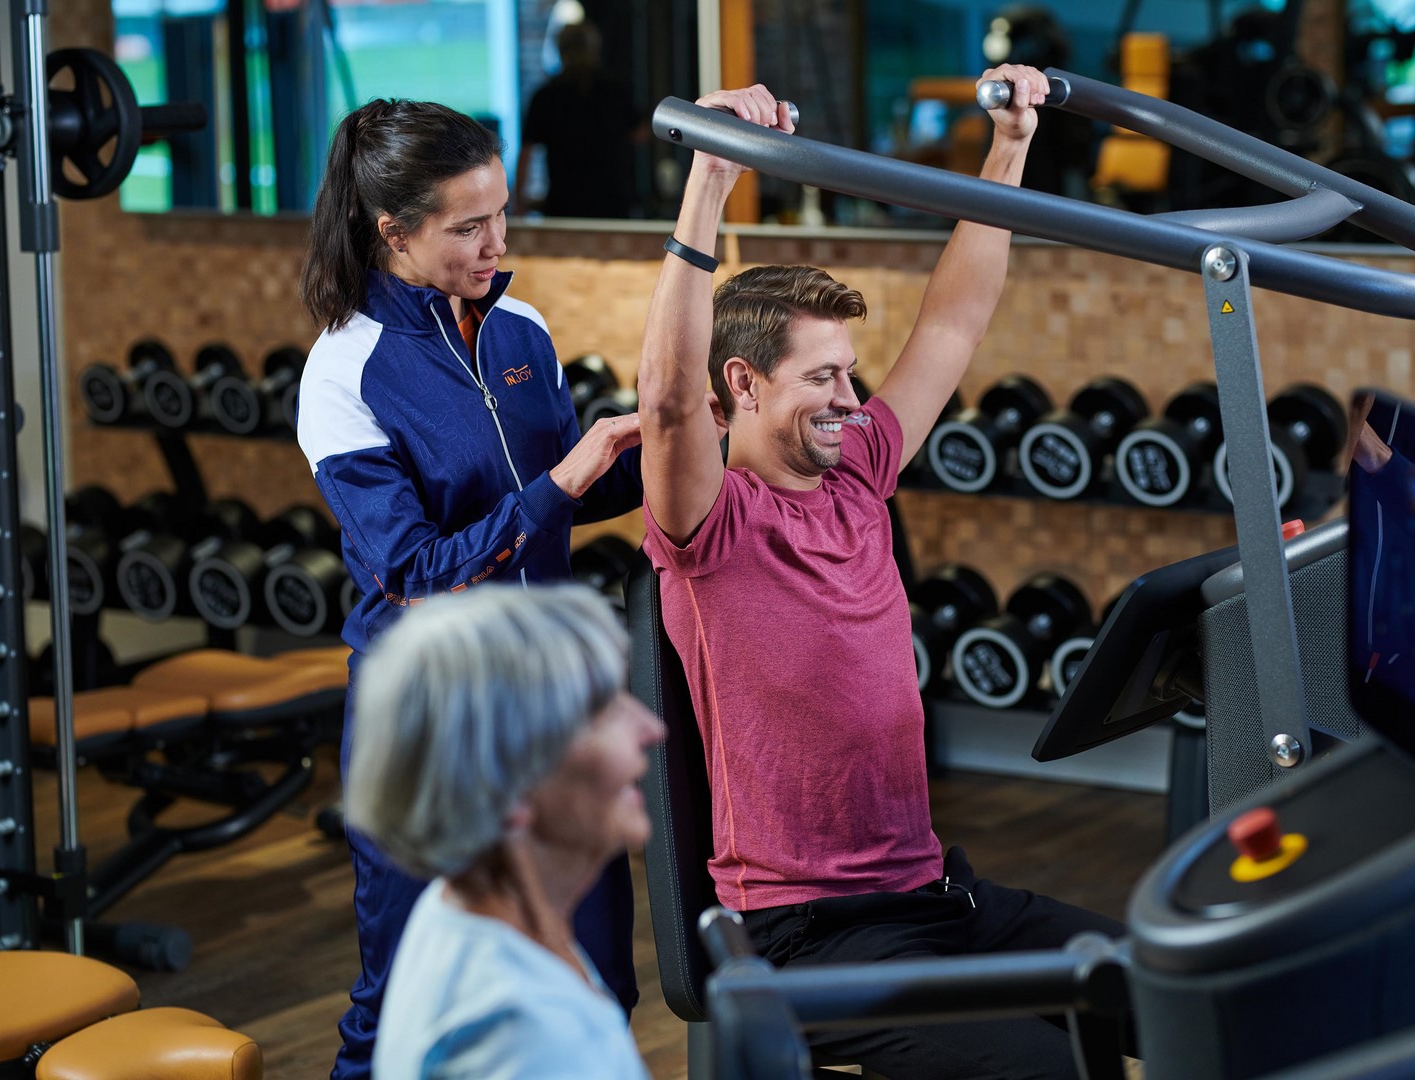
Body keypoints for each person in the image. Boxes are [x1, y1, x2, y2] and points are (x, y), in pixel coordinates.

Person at [636, 73, 1129, 1079]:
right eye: (823, 377)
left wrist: (1009, 145)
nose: (851, 398)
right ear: (744, 384)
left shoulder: (858, 471)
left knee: (1188, 987)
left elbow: (954, 325)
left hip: (935, 898)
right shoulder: (709, 526)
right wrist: (710, 181)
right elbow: (669, 406)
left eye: (851, 372)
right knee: (1047, 1070)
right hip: (809, 937)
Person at [296, 98, 644, 1080]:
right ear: (394, 232)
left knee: (595, 976)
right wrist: (564, 479)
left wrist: (677, 438)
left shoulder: (519, 326)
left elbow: (570, 493)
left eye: (500, 215)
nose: (498, 244)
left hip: (546, 698)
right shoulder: (345, 371)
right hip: (431, 715)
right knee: (397, 1005)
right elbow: (414, 576)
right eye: (468, 226)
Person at [345, 585, 662, 1080]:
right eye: (603, 712)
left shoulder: (472, 910)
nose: (649, 728)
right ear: (507, 786)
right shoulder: (519, 1035)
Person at [514, 20, 646, 218]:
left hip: (564, 203)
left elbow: (526, 153)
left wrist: (520, 202)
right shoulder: (615, 91)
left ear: (560, 50)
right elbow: (640, 134)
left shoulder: (546, 96)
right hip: (613, 201)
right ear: (595, 49)